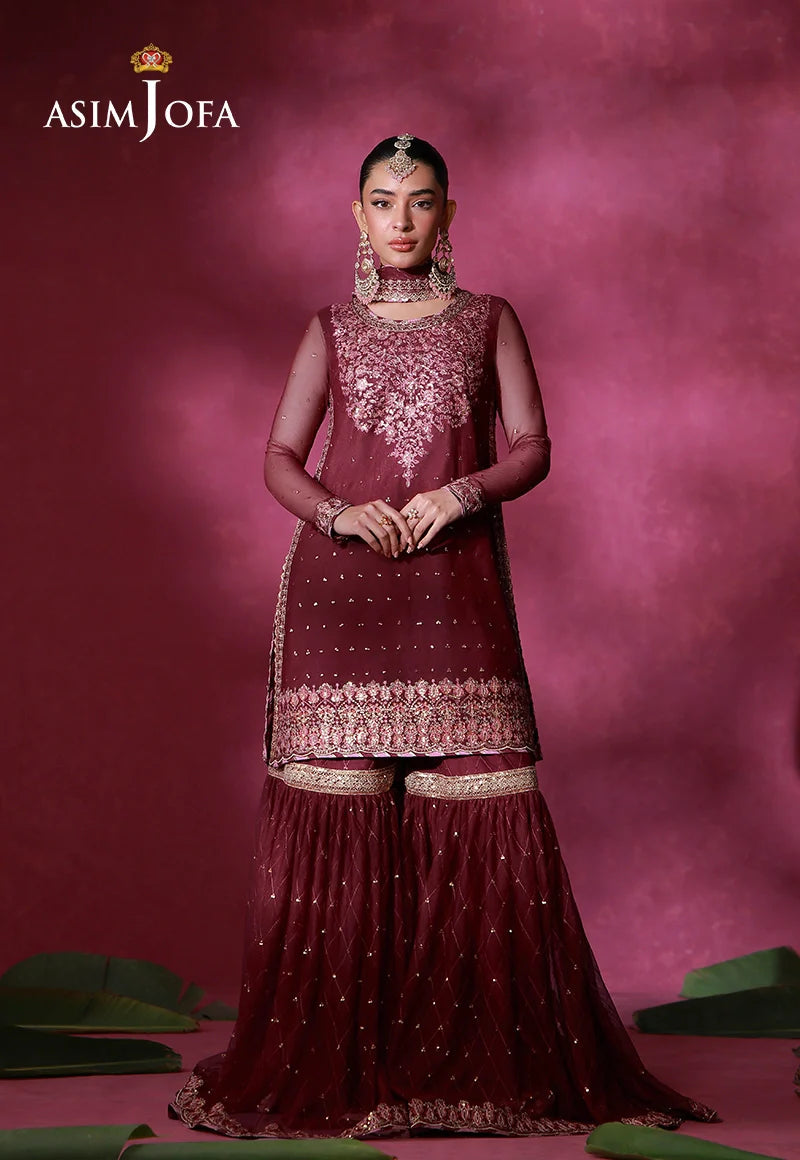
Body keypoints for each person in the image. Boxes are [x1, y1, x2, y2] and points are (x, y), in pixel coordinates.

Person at [169, 133, 717, 1139]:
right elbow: (280, 455)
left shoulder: (487, 318)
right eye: (383, 201)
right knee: (341, 817)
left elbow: (532, 447)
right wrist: (338, 514)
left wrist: (459, 493)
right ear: (357, 215)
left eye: (420, 200)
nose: (401, 219)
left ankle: (467, 1064)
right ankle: (342, 1061)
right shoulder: (330, 328)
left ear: (448, 215)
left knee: (481, 802)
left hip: (452, 585)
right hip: (342, 594)